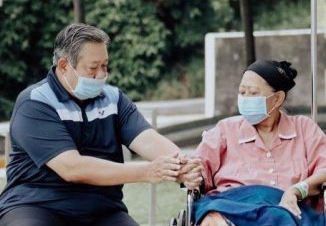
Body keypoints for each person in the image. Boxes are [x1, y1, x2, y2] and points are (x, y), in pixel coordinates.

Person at [0, 23, 202, 226]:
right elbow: (72, 168)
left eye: (105, 66)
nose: (101, 75)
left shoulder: (114, 99)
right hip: (36, 206)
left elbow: (148, 140)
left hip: (101, 211)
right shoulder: (35, 102)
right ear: (64, 66)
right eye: (93, 68)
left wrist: (183, 166)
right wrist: (148, 171)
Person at [190, 60, 326, 225]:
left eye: (253, 93)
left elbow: (324, 169)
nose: (245, 98)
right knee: (212, 220)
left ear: (277, 99)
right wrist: (190, 173)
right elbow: (197, 165)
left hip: (288, 211)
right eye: (242, 92)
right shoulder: (226, 129)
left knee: (278, 217)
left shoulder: (305, 129)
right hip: (232, 206)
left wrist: (295, 190)